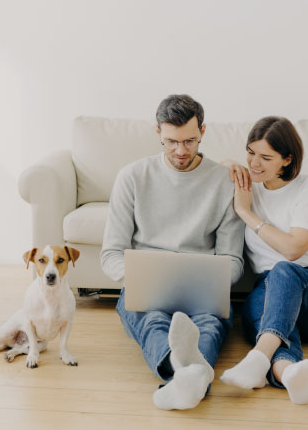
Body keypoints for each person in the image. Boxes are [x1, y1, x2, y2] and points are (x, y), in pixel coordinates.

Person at [101, 94, 245, 410]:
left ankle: (179, 381)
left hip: (202, 288)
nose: (180, 151)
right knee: (151, 320)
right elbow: (111, 253)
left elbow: (233, 259)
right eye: (171, 142)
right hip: (146, 288)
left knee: (208, 323)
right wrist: (142, 277)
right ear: (157, 134)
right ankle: (188, 377)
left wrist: (213, 278)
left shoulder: (224, 181)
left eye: (190, 141)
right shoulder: (132, 176)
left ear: (203, 131)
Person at [218, 116, 308, 405]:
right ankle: (287, 372)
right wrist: (229, 163)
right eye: (250, 152)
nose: (255, 163)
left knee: (283, 270)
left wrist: (246, 213)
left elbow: (293, 250)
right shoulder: (249, 185)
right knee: (266, 308)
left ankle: (257, 358)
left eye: (266, 157)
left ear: (287, 159)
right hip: (270, 294)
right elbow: (212, 169)